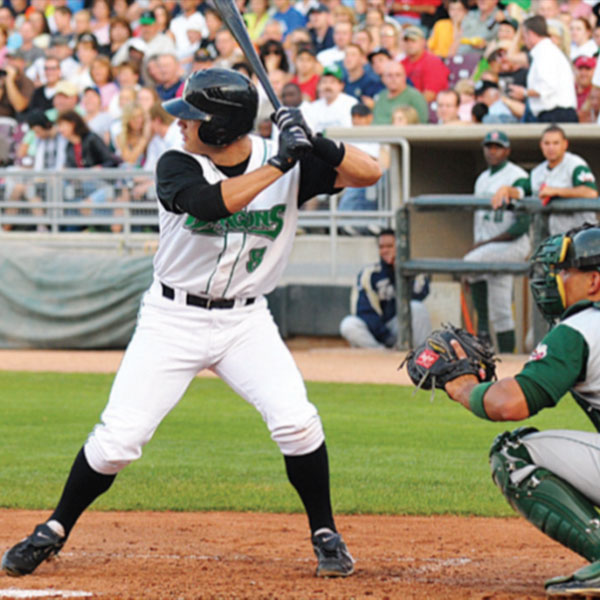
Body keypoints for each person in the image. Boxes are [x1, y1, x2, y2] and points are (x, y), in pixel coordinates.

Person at [1, 67, 381, 580]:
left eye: (193, 117)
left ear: (221, 129)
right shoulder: (177, 162)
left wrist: (316, 142)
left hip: (247, 322)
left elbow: (370, 173)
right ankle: (53, 529)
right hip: (172, 319)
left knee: (296, 420)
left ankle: (326, 534)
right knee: (119, 439)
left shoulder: (286, 157)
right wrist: (282, 163)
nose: (181, 123)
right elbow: (209, 205)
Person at [442, 222, 600, 598]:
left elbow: (511, 404)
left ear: (593, 281)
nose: (554, 279)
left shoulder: (581, 328)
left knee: (512, 452)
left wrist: (466, 389)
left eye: (564, 271)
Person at [463, 131, 531, 353]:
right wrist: (480, 242)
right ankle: (506, 359)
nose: (492, 151)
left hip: (512, 244)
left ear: (507, 150)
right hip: (489, 245)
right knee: (501, 310)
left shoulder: (517, 176)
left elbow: (521, 226)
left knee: (470, 264)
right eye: (489, 146)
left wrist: (482, 245)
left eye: (497, 147)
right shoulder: (481, 178)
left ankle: (483, 331)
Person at [493, 125, 598, 236]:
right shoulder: (538, 171)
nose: (551, 148)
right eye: (547, 143)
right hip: (559, 237)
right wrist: (506, 189)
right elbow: (522, 191)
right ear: (541, 145)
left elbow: (590, 192)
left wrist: (557, 191)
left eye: (556, 143)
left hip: (584, 235)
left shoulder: (575, 165)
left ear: (565, 144)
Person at [340, 229, 431, 348]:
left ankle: (421, 354)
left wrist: (398, 271)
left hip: (400, 325)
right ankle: (382, 355)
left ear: (399, 247)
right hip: (377, 330)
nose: (385, 250)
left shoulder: (412, 270)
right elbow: (364, 311)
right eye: (381, 247)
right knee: (348, 325)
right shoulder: (370, 273)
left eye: (389, 246)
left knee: (418, 308)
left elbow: (421, 293)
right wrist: (387, 338)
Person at [507, 15, 578, 123]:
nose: (523, 41)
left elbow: (547, 86)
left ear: (530, 34)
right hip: (554, 114)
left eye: (523, 36)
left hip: (556, 115)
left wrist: (524, 92)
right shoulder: (544, 51)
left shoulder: (546, 53)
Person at [401, 25, 449, 103]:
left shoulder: (432, 62)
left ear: (423, 42)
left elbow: (431, 95)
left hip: (427, 108)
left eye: (413, 41)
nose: (409, 44)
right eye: (406, 41)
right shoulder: (401, 63)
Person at [302, 64, 357, 132]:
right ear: (319, 86)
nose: (328, 86)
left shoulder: (351, 103)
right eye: (324, 82)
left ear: (341, 85)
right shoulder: (313, 107)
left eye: (332, 82)